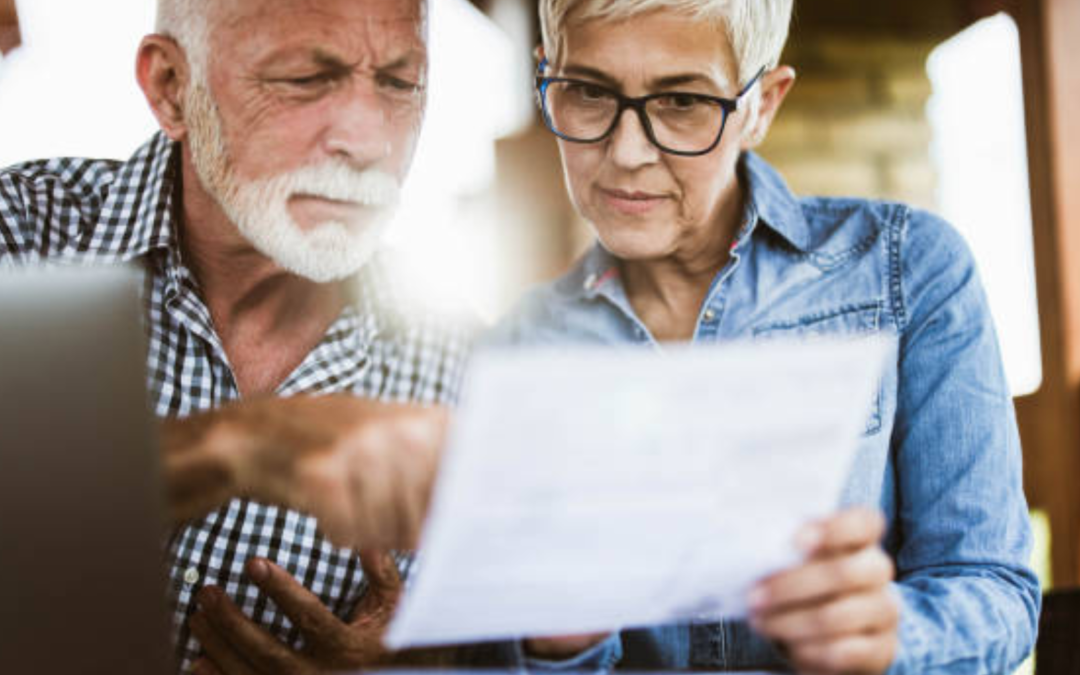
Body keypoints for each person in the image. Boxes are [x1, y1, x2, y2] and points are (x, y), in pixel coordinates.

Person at [487, 0, 1041, 673]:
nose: (626, 153)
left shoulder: (909, 270)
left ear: (762, 105)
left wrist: (894, 635)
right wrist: (558, 645)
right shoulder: (520, 347)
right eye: (587, 92)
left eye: (683, 101)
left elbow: (995, 589)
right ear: (547, 76)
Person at [0, 0, 467, 672]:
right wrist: (229, 448)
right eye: (306, 78)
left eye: (399, 82)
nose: (369, 142)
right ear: (170, 87)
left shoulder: (464, 368)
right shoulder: (24, 237)